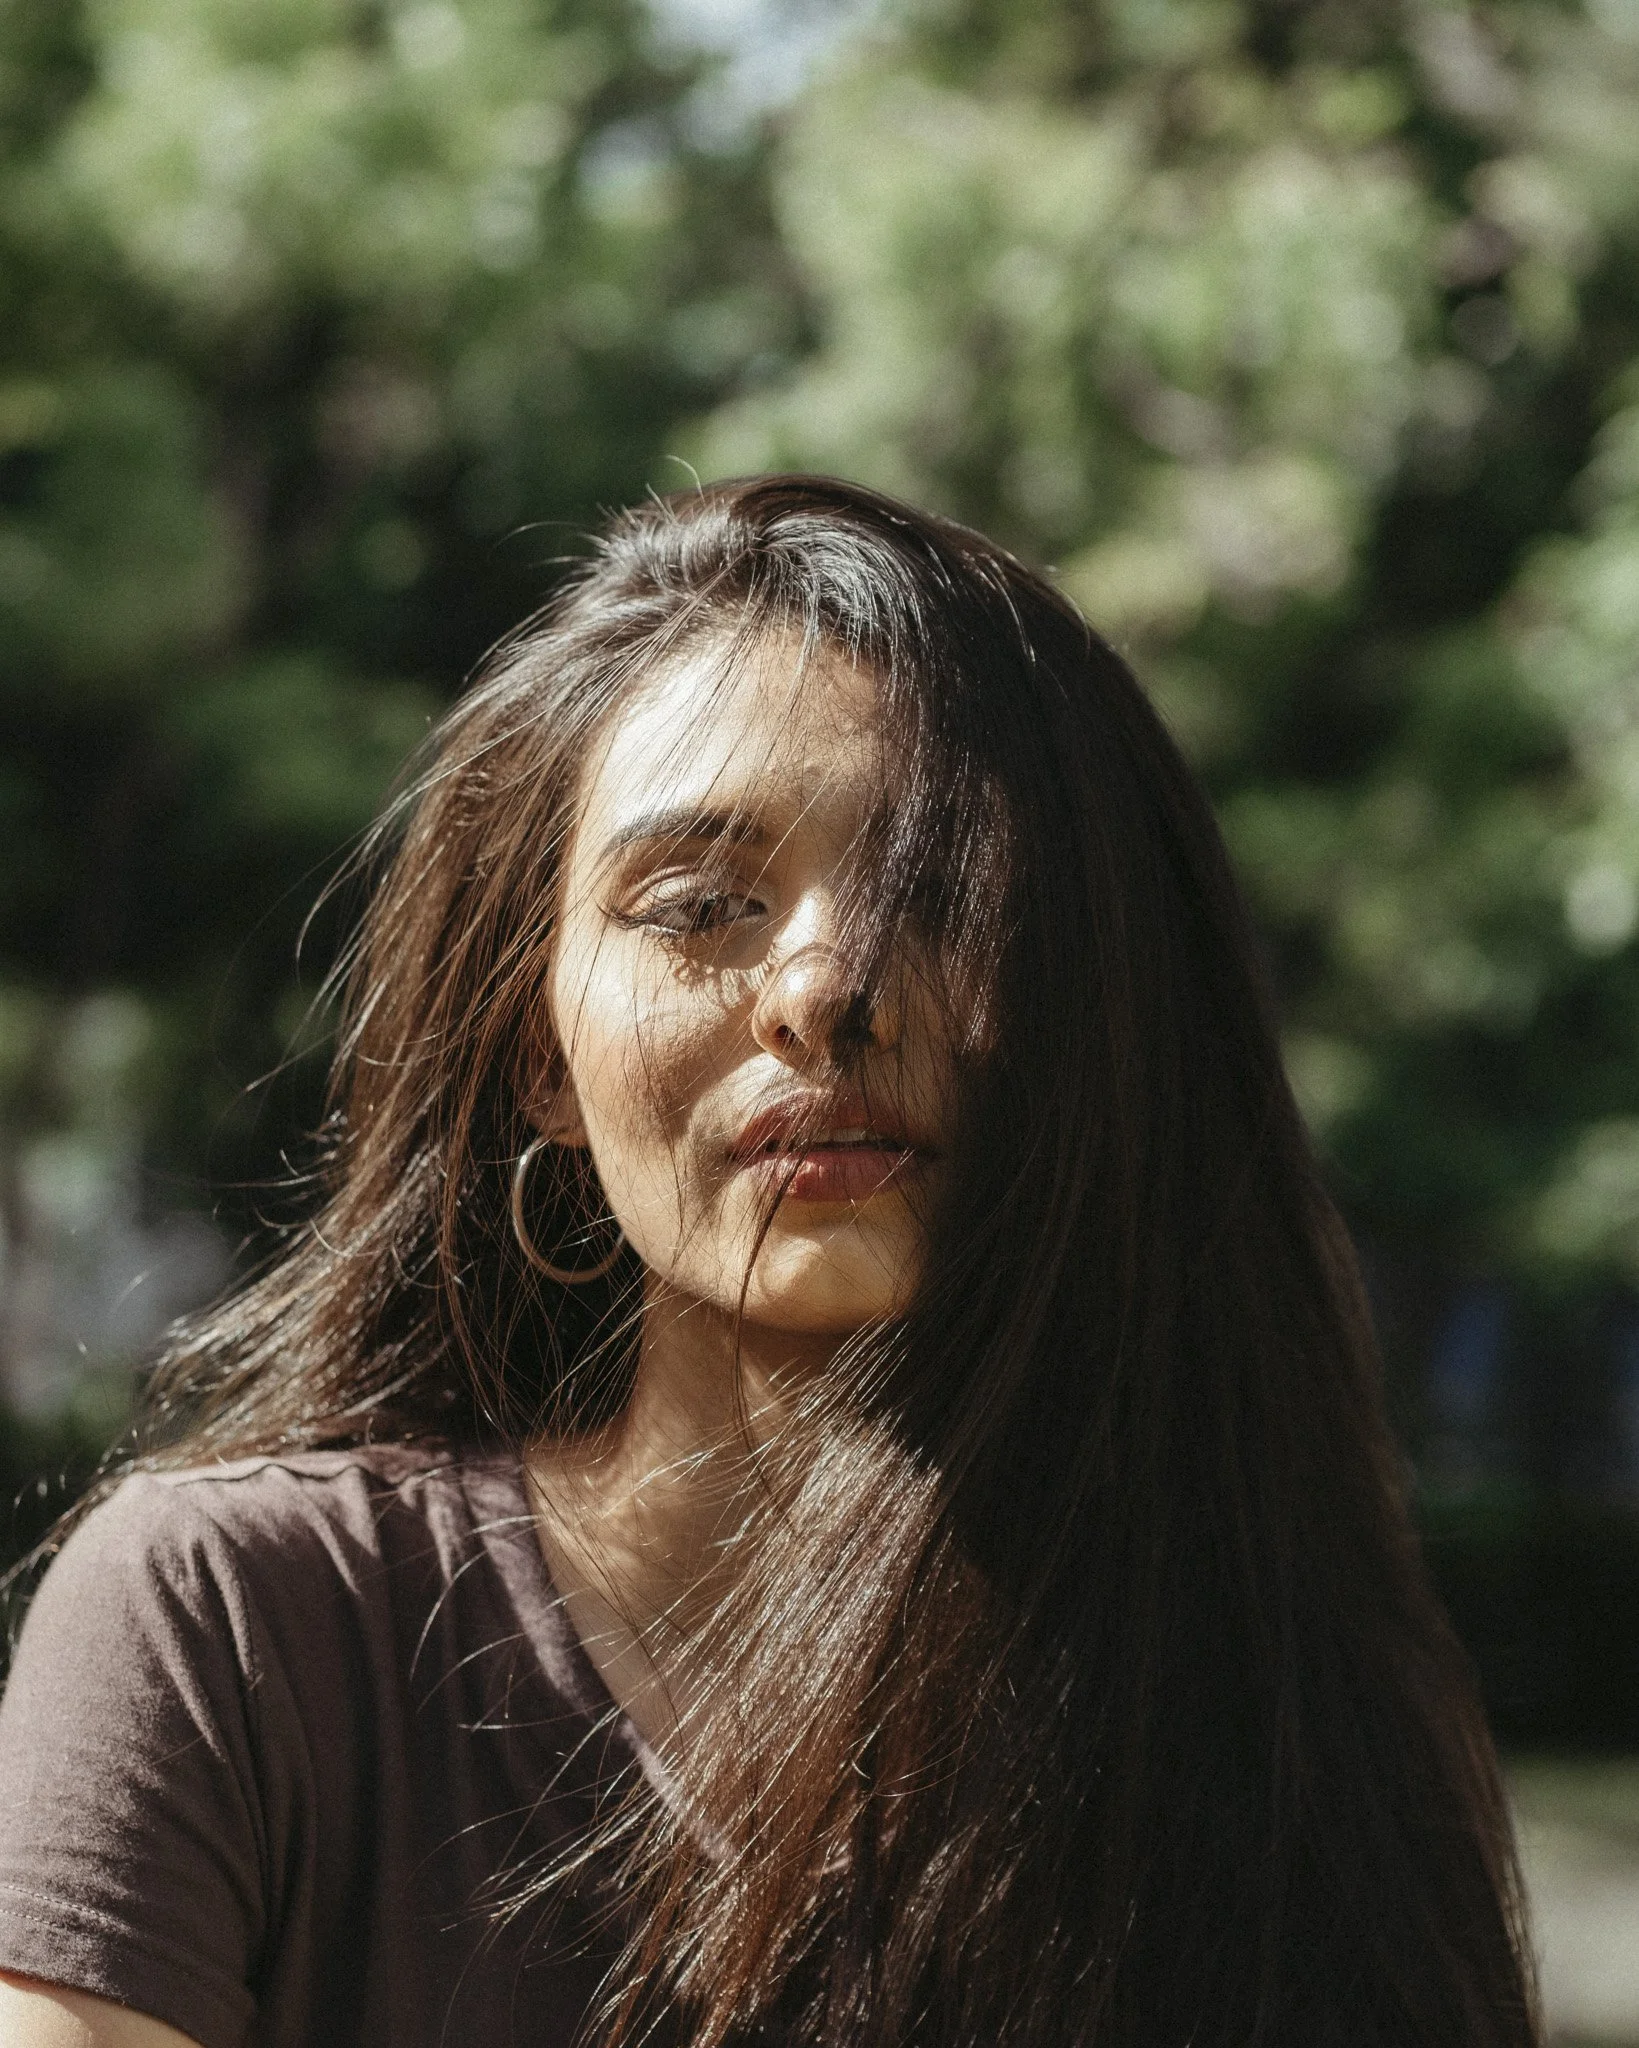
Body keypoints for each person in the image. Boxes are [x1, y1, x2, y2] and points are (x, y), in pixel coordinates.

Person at [0, 476, 1536, 2048]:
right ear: (541, 1058)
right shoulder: (238, 1630)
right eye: (699, 907)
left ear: (1112, 1002)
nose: (824, 989)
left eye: (941, 884)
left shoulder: (1289, 1722)